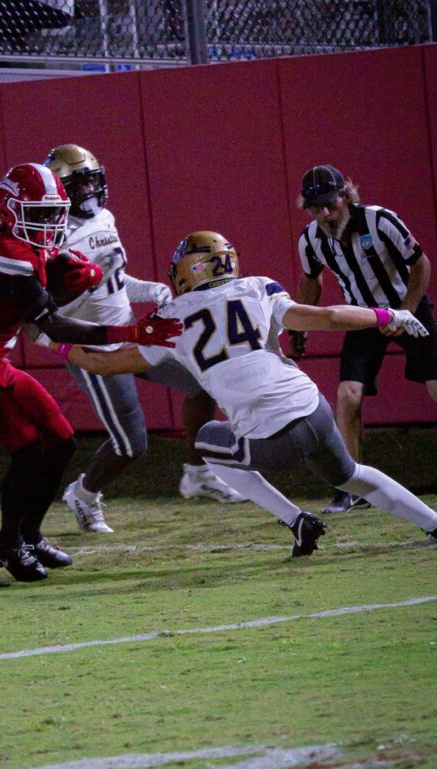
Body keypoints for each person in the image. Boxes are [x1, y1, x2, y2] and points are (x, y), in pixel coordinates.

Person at [65, 231, 437, 557]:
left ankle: (295, 519)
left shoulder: (172, 317)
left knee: (208, 440)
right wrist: (390, 316)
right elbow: (330, 318)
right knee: (351, 475)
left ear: (187, 270)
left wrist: (53, 339)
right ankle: (433, 522)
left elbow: (105, 364)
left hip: (269, 439)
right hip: (313, 410)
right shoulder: (259, 287)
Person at [0, 162, 182, 583]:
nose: (49, 223)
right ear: (11, 210)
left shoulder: (18, 242)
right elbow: (52, 323)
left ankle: (31, 534)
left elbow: (41, 290)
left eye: (53, 212)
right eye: (40, 213)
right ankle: (9, 544)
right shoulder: (8, 256)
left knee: (62, 441)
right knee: (28, 449)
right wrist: (133, 330)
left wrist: (78, 276)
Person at [37, 145, 246, 535]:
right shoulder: (52, 238)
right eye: (76, 184)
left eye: (90, 181)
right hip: (97, 348)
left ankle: (197, 474)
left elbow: (116, 282)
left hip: (132, 332)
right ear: (59, 190)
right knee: (131, 444)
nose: (87, 191)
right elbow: (47, 308)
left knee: (203, 380)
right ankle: (83, 494)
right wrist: (79, 294)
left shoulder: (104, 218)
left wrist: (152, 290)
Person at [293, 164, 437, 514]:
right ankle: (354, 488)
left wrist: (405, 310)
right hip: (364, 316)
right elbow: (312, 281)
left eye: (330, 204)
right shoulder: (310, 239)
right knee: (347, 395)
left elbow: (421, 265)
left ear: (346, 195)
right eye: (316, 208)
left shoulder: (380, 221)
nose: (325, 214)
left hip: (409, 307)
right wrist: (299, 326)